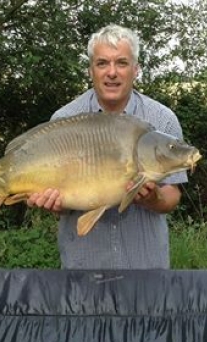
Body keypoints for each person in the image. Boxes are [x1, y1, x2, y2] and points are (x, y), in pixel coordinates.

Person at [26, 24, 187, 269]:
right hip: (83, 264)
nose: (112, 72)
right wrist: (54, 205)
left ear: (136, 69)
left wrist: (151, 198)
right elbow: (62, 203)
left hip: (145, 265)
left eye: (121, 63)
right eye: (102, 63)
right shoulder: (64, 119)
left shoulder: (162, 120)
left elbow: (172, 195)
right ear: (91, 70)